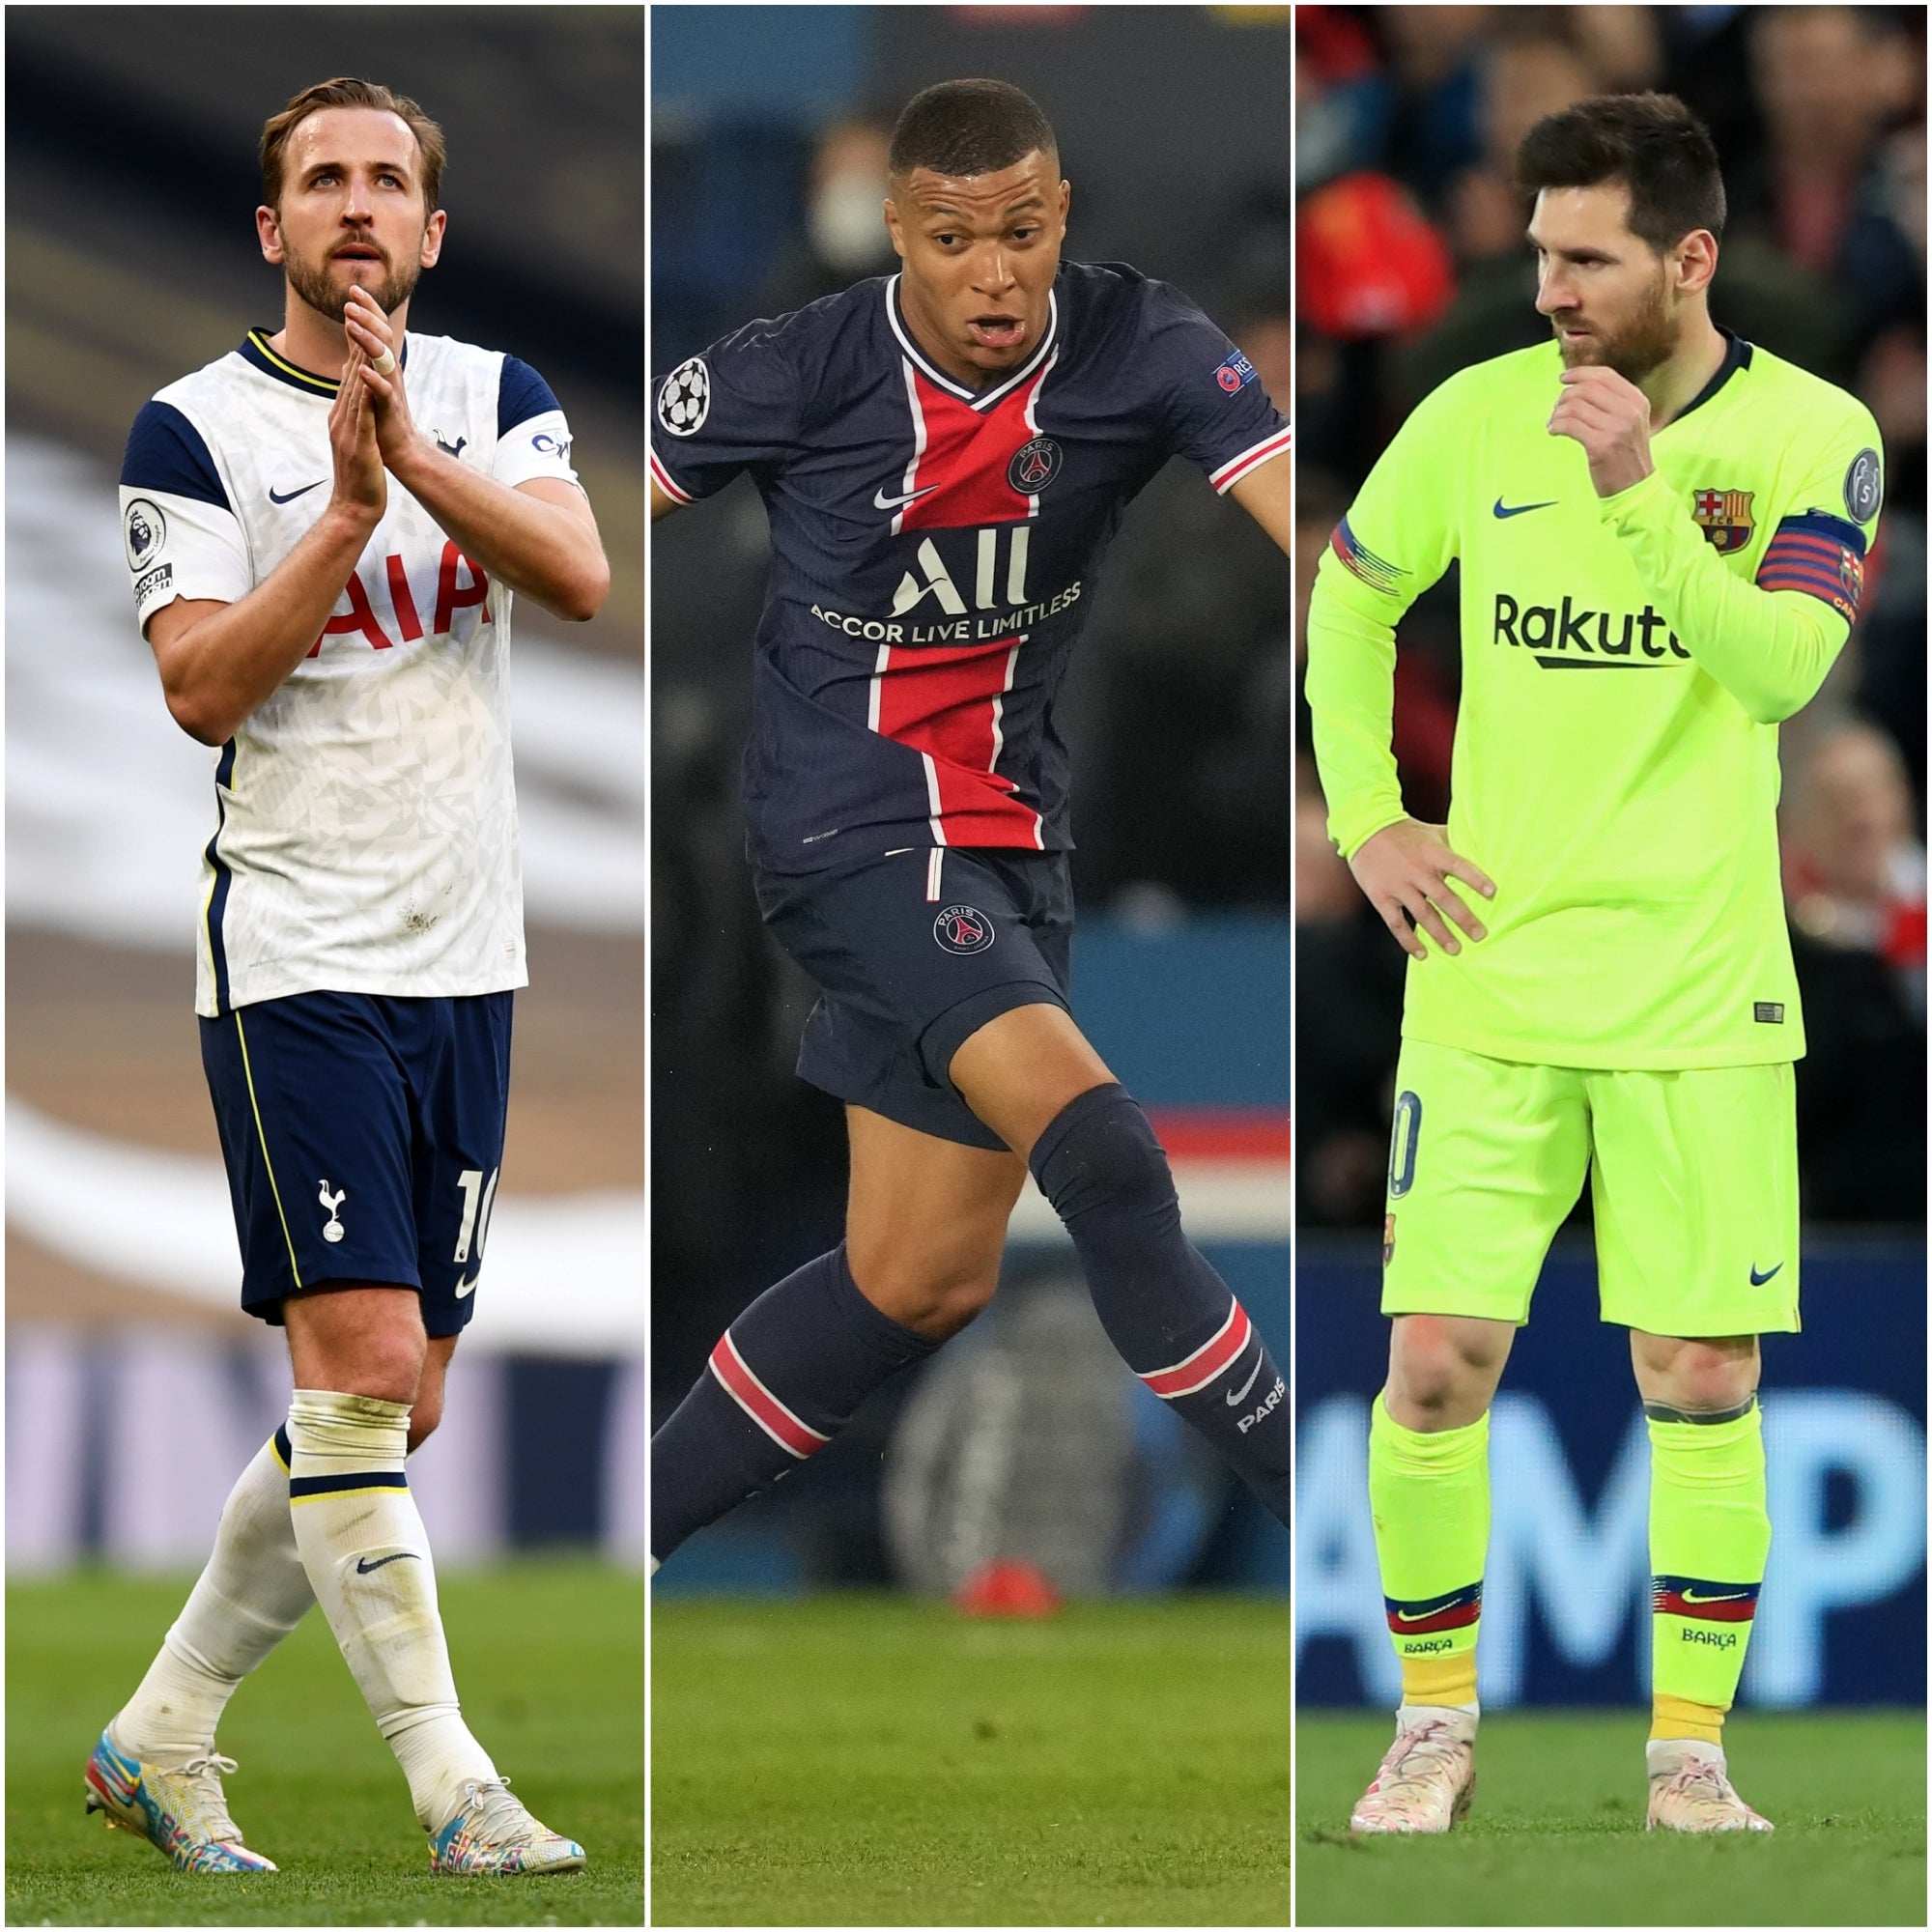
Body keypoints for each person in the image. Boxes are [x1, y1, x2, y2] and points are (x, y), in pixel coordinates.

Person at [1305, 92, 1884, 1835]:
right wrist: (1368, 819)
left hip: (1703, 987)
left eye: (1587, 256)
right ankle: (1429, 1730)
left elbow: (1781, 669)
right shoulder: (1474, 413)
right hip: (1487, 973)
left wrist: (1638, 495)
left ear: (1688, 260)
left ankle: (1688, 1757)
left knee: (1701, 1375)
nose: (1547, 284)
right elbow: (1348, 594)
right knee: (1430, 1368)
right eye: (1539, 248)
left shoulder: (1816, 434)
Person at [648, 79, 1293, 1570]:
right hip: (850, 836)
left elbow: (1300, 532)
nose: (992, 271)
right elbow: (590, 523)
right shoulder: (796, 367)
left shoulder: (1146, 346)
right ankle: (1343, 1534)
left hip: (1011, 847)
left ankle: (632, 1539)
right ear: (896, 233)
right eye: (951, 238)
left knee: (913, 1277)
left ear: (1059, 216)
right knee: (1112, 1159)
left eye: (1018, 233)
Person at [91, 76, 609, 1875]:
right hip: (298, 944)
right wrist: (342, 512)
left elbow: (578, 576)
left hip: (469, 946)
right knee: (370, 1358)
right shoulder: (192, 430)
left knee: (392, 1397)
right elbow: (201, 688)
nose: (359, 207)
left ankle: (162, 1732)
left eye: (390, 181)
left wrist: (416, 458)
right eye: (325, 181)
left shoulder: (498, 396)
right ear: (272, 228)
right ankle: (456, 1786)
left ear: (435, 229)